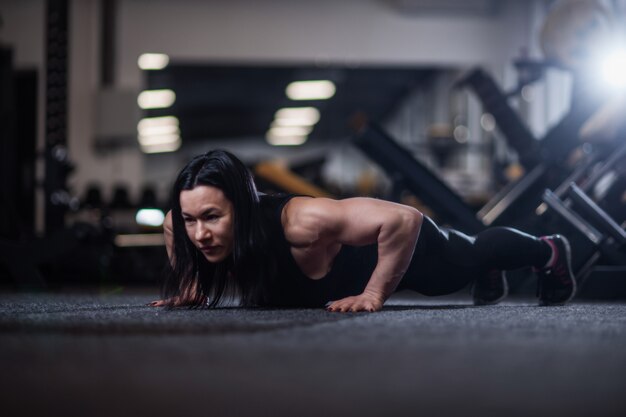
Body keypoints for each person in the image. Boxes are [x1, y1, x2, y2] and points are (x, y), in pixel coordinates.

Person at [149, 150, 577, 312]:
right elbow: (171, 227)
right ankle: (488, 267)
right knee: (471, 258)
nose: (199, 233)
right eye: (192, 219)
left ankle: (550, 252)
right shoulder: (181, 224)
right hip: (359, 266)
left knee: (464, 261)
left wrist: (373, 294)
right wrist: (192, 286)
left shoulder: (302, 222)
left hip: (399, 254)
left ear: (241, 209)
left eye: (212, 217)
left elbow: (403, 220)